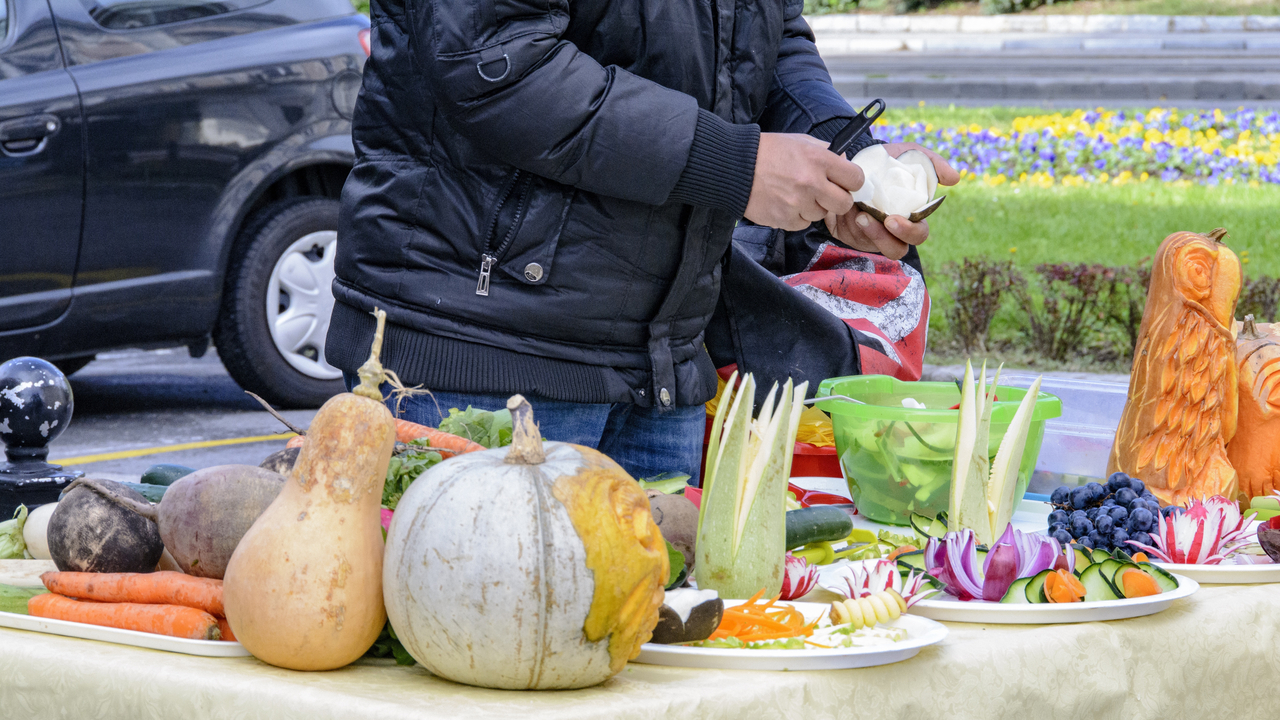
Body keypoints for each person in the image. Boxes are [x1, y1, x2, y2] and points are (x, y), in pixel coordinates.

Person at [325, 0, 955, 482]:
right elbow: (495, 61)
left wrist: (846, 159)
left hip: (664, 370)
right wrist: (736, 166)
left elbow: (769, 35)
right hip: (480, 356)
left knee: (658, 616)